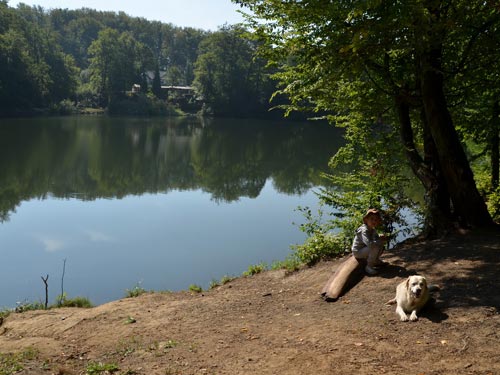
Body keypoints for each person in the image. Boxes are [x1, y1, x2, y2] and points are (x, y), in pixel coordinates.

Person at [351, 208, 389, 275]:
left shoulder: (372, 229)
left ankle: (376, 260)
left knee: (380, 244)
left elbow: (375, 239)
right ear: (366, 220)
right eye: (371, 219)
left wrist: (381, 237)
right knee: (375, 247)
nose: (374, 221)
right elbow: (370, 244)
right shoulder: (364, 230)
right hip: (358, 251)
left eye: (376, 219)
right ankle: (369, 266)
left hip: (365, 248)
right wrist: (379, 240)